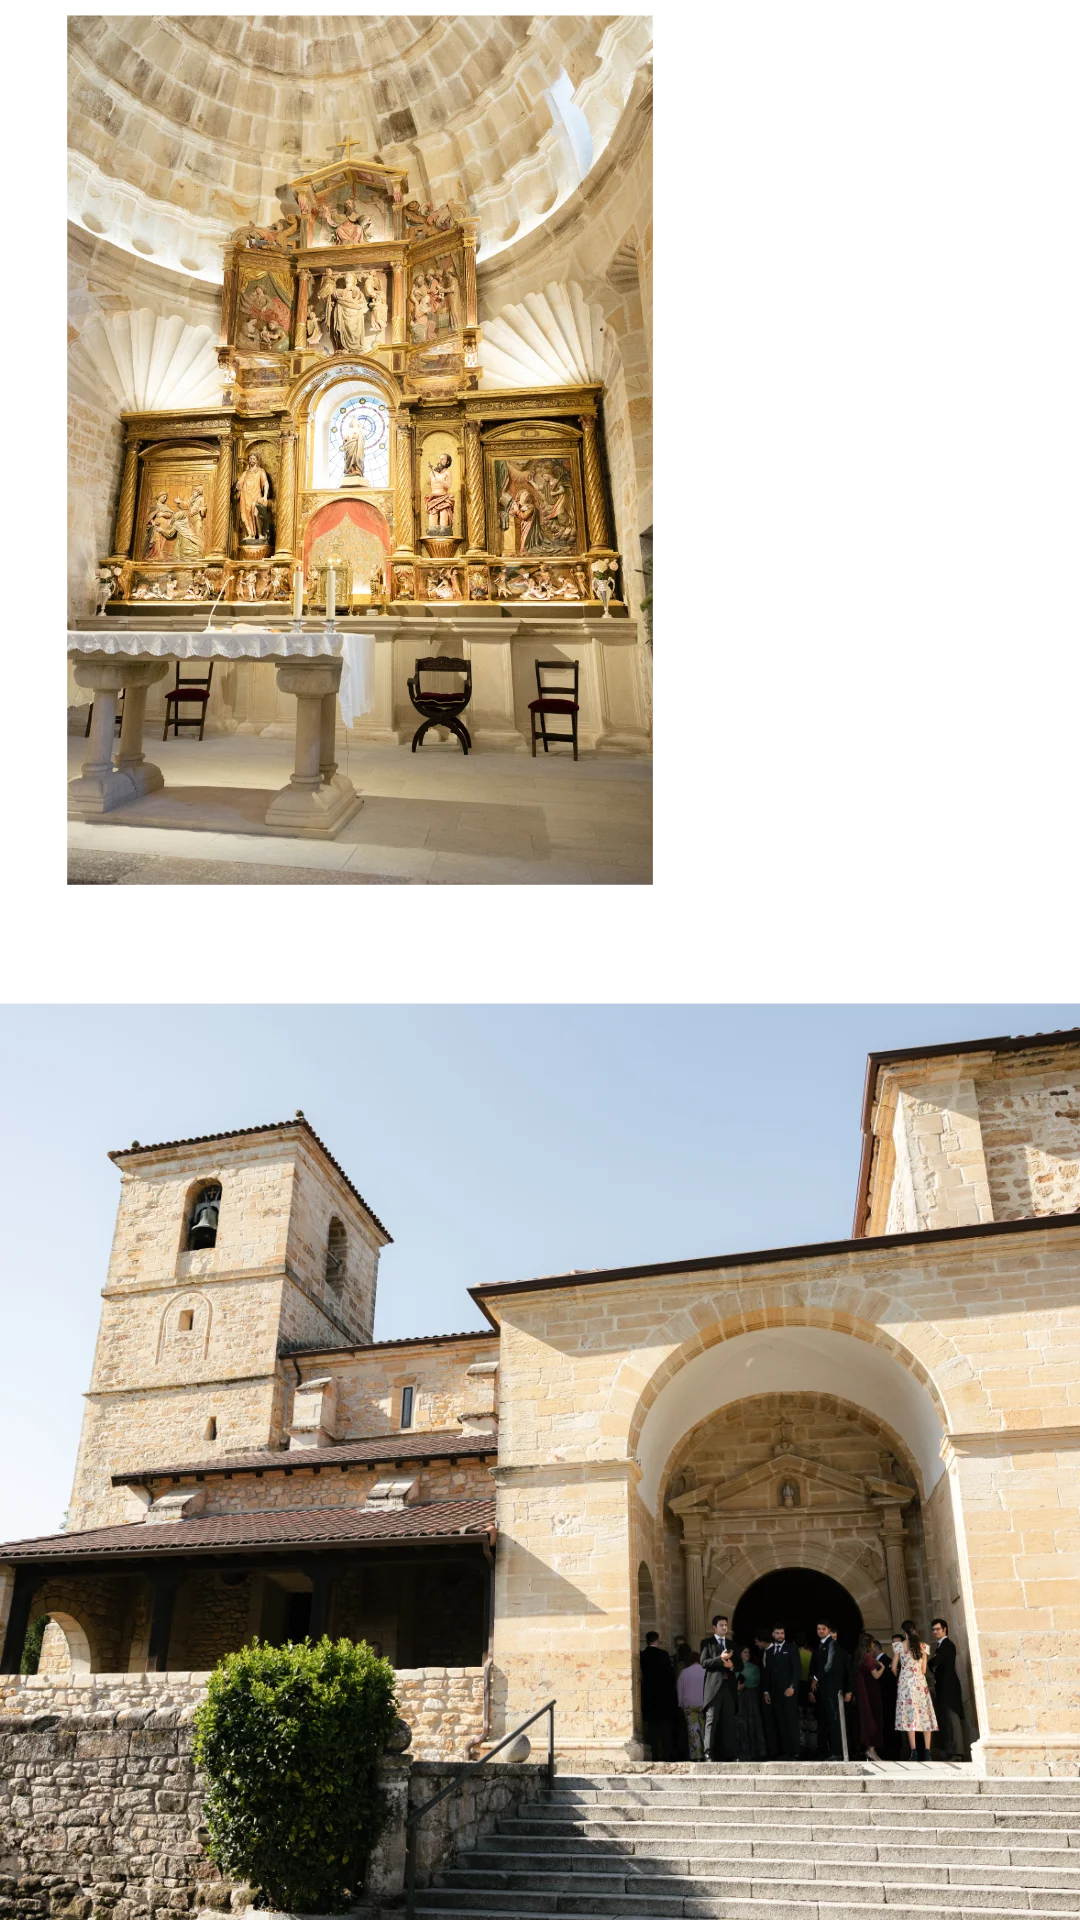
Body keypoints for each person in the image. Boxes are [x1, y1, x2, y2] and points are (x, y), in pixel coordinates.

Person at [892, 1622, 937, 1760]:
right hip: (920, 1684)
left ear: (903, 1631)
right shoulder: (923, 1647)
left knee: (908, 1716)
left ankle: (914, 1751)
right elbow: (924, 1670)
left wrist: (902, 1676)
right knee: (925, 1715)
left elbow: (894, 1668)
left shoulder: (899, 1646)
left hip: (906, 1685)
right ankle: (927, 1751)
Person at [700, 1614, 741, 1761]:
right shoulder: (707, 1643)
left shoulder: (732, 1644)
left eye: (726, 1625)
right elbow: (704, 1662)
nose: (724, 1627)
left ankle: (730, 1753)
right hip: (713, 1688)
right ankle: (708, 1753)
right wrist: (720, 1659)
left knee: (729, 1721)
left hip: (728, 1688)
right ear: (714, 1628)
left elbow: (740, 1666)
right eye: (721, 1625)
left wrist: (732, 1666)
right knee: (711, 1720)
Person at [809, 1620, 853, 1760]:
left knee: (835, 1720)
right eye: (818, 1629)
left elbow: (830, 1665)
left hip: (833, 1689)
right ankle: (828, 1750)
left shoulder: (832, 1644)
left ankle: (837, 1752)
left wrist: (816, 1678)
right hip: (825, 1690)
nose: (820, 1631)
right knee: (826, 1720)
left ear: (828, 1630)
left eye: (823, 1629)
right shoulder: (821, 1646)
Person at [929, 1618, 968, 1760]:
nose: (935, 1632)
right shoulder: (940, 1646)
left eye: (938, 1629)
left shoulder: (947, 1644)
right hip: (943, 1687)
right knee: (947, 1719)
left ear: (945, 1629)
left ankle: (958, 1752)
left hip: (949, 1687)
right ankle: (951, 1750)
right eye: (933, 1630)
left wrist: (930, 1661)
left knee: (953, 1718)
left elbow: (937, 1661)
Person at [762, 1622, 802, 1760]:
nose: (780, 1636)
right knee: (780, 1721)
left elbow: (797, 1670)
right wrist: (766, 1692)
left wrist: (792, 1687)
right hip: (774, 1693)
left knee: (791, 1720)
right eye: (778, 1633)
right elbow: (766, 1673)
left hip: (789, 1692)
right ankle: (785, 1750)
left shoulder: (791, 1648)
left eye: (782, 1633)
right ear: (773, 1635)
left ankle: (795, 1750)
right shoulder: (769, 1651)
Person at [639, 1631, 677, 1761]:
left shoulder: (642, 1655)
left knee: (652, 1728)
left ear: (647, 1640)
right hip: (664, 1697)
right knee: (665, 1728)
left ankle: (654, 1755)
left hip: (649, 1696)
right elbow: (671, 1676)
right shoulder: (664, 1655)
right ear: (658, 1640)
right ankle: (666, 1755)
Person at [854, 1630, 885, 1760]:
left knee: (867, 1719)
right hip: (871, 1692)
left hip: (865, 1691)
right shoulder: (868, 1657)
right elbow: (875, 1675)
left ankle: (868, 1749)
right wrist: (882, 1667)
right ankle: (871, 1749)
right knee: (874, 1719)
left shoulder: (859, 1657)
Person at [736, 1644, 767, 1760]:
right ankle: (742, 1751)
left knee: (754, 1722)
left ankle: (757, 1751)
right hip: (739, 1698)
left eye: (748, 1653)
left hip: (752, 1698)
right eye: (745, 1652)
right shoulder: (734, 1667)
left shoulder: (755, 1668)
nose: (747, 1654)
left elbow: (756, 1681)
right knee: (741, 1723)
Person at [676, 1646, 705, 1761]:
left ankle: (696, 1755)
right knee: (704, 1729)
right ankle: (706, 1753)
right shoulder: (705, 1671)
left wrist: (680, 1703)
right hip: (703, 1703)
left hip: (689, 1705)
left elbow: (680, 1689)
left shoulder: (684, 1672)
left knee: (693, 1731)